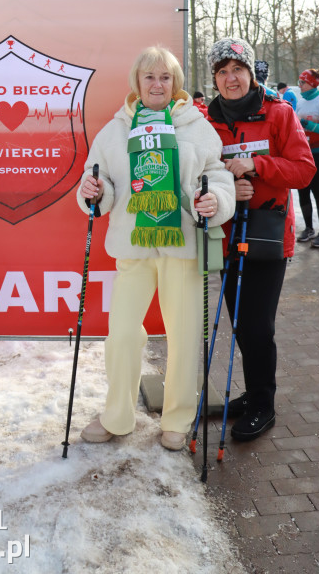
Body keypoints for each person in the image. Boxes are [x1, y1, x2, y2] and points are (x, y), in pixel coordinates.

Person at [77, 46, 235, 451]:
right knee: (122, 334)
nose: (157, 84)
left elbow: (217, 176)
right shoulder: (116, 129)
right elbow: (98, 181)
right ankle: (117, 415)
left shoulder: (195, 125)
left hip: (182, 246)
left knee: (184, 334)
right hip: (133, 246)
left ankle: (178, 418)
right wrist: (93, 191)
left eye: (165, 77)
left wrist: (215, 200)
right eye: (149, 77)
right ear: (137, 81)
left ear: (175, 82)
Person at [207, 39, 316, 441]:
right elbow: (199, 172)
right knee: (240, 324)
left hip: (267, 235)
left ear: (251, 74)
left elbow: (303, 170)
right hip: (226, 234)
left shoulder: (279, 112)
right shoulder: (206, 120)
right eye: (222, 71)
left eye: (238, 69)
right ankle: (252, 394)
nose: (231, 78)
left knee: (257, 326)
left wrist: (256, 165)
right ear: (215, 79)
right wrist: (225, 183)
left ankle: (263, 405)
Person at [295, 69, 319, 247]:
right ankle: (308, 228)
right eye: (299, 82)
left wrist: (306, 123)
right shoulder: (300, 102)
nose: (299, 85)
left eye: (302, 82)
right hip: (303, 153)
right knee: (302, 190)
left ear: (313, 83)